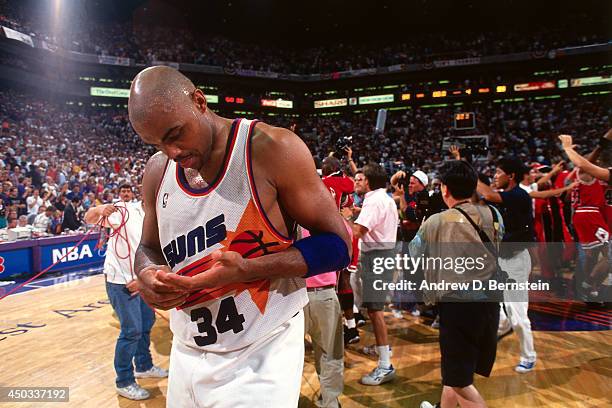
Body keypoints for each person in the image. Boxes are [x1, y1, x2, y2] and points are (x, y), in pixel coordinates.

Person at [127, 66, 351, 407]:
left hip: (261, 350)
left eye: (175, 134)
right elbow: (148, 247)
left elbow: (338, 247)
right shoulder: (158, 170)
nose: (170, 151)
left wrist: (248, 269)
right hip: (187, 349)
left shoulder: (272, 148)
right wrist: (146, 273)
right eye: (156, 143)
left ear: (199, 102)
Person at [412, 160, 502, 408]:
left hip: (458, 304)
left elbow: (414, 253)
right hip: (491, 300)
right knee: (458, 369)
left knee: (460, 380)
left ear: (444, 189)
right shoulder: (494, 214)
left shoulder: (437, 221)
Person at [85, 184, 168, 400]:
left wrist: (144, 279)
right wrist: (100, 208)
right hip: (120, 281)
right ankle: (124, 381)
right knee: (131, 331)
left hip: (142, 281)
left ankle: (143, 365)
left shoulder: (161, 217)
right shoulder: (124, 210)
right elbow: (89, 218)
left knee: (146, 324)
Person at [476, 157, 537, 373]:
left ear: (511, 176)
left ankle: (529, 357)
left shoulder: (519, 195)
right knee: (494, 306)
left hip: (516, 262)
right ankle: (498, 332)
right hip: (501, 260)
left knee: (518, 313)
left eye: (499, 172)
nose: (495, 176)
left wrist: (468, 170)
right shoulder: (504, 199)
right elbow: (484, 201)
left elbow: (489, 194)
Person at [343, 163, 398, 385]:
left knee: (375, 311)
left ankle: (385, 364)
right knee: (373, 309)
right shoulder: (382, 197)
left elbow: (358, 231)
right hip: (382, 255)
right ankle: (381, 348)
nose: (356, 182)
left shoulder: (374, 201)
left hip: (377, 257)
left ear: (369, 181)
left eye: (359, 179)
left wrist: (345, 217)